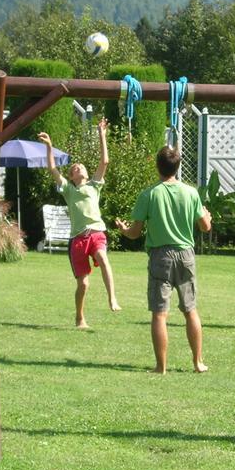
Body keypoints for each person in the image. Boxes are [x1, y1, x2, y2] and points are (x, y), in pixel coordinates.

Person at [115, 146, 212, 374]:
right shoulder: (191, 193)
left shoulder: (148, 195)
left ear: (157, 166)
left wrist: (123, 229)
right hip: (186, 253)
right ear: (178, 166)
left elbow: (135, 232)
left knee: (160, 313)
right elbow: (205, 226)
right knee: (190, 310)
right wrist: (207, 216)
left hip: (160, 255)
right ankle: (198, 363)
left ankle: (161, 366)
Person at [39, 119, 120, 329]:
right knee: (83, 284)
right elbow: (52, 169)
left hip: (96, 234)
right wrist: (49, 146)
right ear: (71, 176)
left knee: (103, 258)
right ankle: (79, 317)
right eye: (75, 167)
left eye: (81, 166)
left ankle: (112, 298)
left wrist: (102, 134)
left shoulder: (94, 186)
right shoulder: (69, 190)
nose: (79, 167)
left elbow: (105, 162)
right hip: (77, 240)